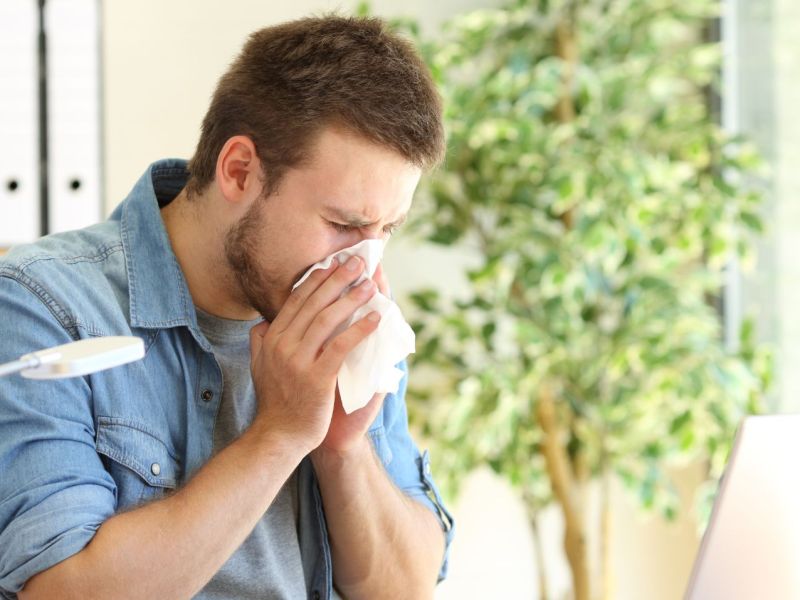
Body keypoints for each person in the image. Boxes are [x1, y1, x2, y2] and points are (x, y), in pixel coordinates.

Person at [0, 15, 453, 600]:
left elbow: (405, 588)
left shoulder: (349, 317)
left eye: (386, 229)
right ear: (239, 171)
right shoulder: (43, 307)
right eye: (343, 224)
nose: (360, 264)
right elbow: (64, 593)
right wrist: (281, 434)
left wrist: (343, 448)